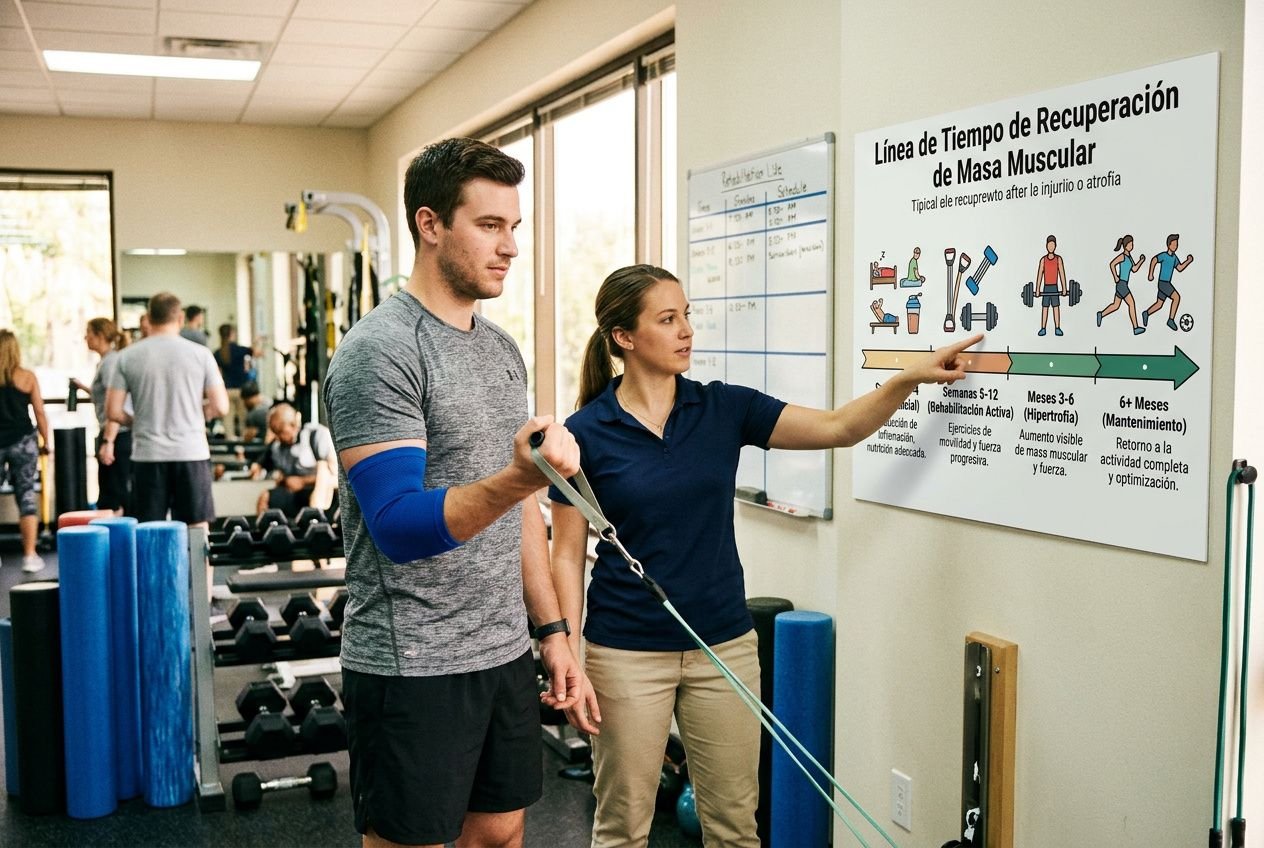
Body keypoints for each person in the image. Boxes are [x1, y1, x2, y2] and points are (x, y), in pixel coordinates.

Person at [548, 265, 982, 847]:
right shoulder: (585, 432)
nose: (686, 332)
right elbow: (567, 554)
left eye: (687, 316)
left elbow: (839, 427)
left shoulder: (724, 408)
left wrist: (909, 378)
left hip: (723, 645)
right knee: (623, 828)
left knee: (734, 828)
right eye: (667, 319)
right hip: (625, 652)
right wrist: (569, 653)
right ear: (624, 337)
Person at [322, 137, 582, 848]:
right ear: (430, 224)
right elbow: (399, 527)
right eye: (490, 226)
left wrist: (552, 631)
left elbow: (522, 511)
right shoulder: (381, 352)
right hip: (413, 663)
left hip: (499, 651)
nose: (510, 248)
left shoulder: (499, 350)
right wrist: (514, 480)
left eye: (515, 227)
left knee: (500, 832)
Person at [107, 292, 228, 527]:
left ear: (149, 318)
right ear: (180, 318)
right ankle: (199, 567)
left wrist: (138, 420)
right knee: (196, 530)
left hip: (148, 455)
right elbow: (221, 406)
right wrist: (199, 413)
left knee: (148, 532)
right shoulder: (201, 354)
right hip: (191, 453)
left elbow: (113, 411)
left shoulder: (127, 357)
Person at [73, 317, 134, 515]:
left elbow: (117, 404)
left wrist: (109, 442)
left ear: (99, 336)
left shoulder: (110, 363)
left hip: (117, 434)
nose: (85, 337)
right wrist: (84, 388)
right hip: (113, 432)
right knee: (110, 493)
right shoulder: (107, 362)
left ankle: (121, 541)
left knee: (114, 496)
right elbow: (106, 397)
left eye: (88, 333)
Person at [0, 330, 50, 572]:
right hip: (23, 441)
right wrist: (46, 441)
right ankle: (30, 555)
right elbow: (39, 413)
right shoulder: (27, 377)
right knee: (26, 495)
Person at [250, 403, 336, 518]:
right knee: (264, 497)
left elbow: (335, 476)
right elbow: (262, 464)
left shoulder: (315, 436)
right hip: (293, 494)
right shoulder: (276, 446)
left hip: (319, 491)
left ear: (293, 425)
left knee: (321, 481)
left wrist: (303, 481)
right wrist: (257, 468)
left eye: (281, 431)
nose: (278, 437)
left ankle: (317, 523)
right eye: (275, 432)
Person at [215, 323, 261, 438]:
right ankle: (243, 441)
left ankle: (230, 441)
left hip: (227, 389)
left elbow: (218, 373)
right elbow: (255, 352)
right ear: (232, 334)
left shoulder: (218, 352)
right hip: (242, 389)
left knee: (228, 419)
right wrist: (256, 341)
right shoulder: (239, 350)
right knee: (243, 418)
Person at [1096, 235, 1146, 335]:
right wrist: (1115, 277)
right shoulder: (1123, 256)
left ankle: (1101, 314)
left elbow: (1134, 269)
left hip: (1123, 284)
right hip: (1122, 284)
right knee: (1131, 303)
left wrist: (1141, 261)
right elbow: (1112, 264)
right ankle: (1135, 327)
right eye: (1130, 244)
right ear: (1125, 245)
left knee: (1116, 305)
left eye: (1132, 244)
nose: (1132, 246)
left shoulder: (1129, 257)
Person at [1144, 233, 1194, 330]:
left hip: (1165, 283)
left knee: (1159, 304)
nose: (1175, 246)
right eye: (1174, 244)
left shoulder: (1174, 258)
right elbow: (1154, 260)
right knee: (1176, 297)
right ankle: (1170, 320)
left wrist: (1188, 261)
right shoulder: (1164, 255)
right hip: (1163, 283)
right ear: (1168, 245)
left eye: (1177, 245)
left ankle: (1146, 313)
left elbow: (1179, 268)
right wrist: (1150, 274)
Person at [1034, 234, 1067, 336]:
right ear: (1046, 246)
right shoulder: (1043, 260)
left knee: (1056, 307)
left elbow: (1062, 274)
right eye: (1049, 245)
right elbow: (1039, 275)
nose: (1051, 247)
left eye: (1053, 245)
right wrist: (1038, 289)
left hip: (1055, 287)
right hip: (1046, 287)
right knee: (1045, 307)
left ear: (1055, 246)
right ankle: (1043, 328)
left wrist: (1064, 288)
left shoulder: (1059, 259)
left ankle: (1057, 328)